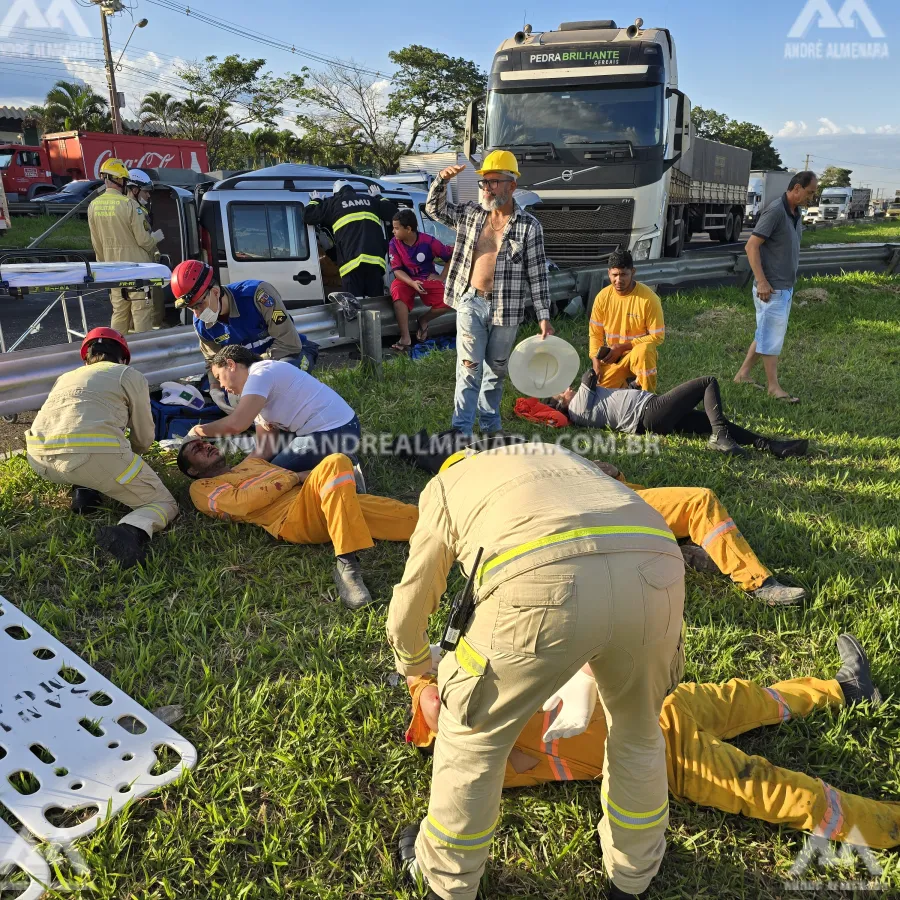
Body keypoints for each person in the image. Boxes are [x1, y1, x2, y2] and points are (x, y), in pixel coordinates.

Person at [389, 443, 685, 900]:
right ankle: (633, 879)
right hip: (657, 559)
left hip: (539, 577)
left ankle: (445, 883)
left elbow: (413, 598)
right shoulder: (556, 454)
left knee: (474, 736)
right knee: (639, 731)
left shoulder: (446, 485)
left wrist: (414, 668)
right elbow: (600, 562)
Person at [405, 634, 898, 851]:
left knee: (745, 697)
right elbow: (471, 798)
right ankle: (889, 826)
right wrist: (427, 842)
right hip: (661, 752)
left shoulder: (473, 669)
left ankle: (844, 690)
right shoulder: (478, 753)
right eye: (441, 701)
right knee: (770, 788)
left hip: (663, 701)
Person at [388, 438, 805, 606]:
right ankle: (679, 549)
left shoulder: (529, 450)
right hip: (578, 518)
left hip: (611, 497)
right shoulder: (461, 484)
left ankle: (755, 582)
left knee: (698, 501)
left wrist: (600, 467)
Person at [178, 440, 417, 609]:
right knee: (336, 461)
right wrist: (294, 477)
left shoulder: (254, 464)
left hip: (327, 503)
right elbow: (242, 503)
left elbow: (303, 476)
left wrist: (302, 478)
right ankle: (347, 563)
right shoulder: (201, 488)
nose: (207, 445)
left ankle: (452, 529)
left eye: (207, 442)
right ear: (192, 470)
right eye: (197, 449)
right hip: (293, 519)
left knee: (415, 518)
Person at [24, 327, 178, 568]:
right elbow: (144, 436)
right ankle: (129, 531)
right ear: (123, 357)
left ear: (86, 357)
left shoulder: (65, 377)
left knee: (83, 447)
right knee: (164, 504)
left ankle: (85, 493)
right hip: (93, 457)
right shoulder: (127, 374)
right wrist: (132, 458)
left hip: (39, 459)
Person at [426, 151, 554, 436]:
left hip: (506, 308)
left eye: (494, 182)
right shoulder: (471, 214)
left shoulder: (529, 227)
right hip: (471, 300)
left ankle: (490, 426)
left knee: (496, 370)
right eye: (484, 182)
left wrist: (544, 316)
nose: (487, 187)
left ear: (512, 186)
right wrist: (441, 181)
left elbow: (537, 273)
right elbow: (434, 210)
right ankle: (461, 430)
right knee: (470, 368)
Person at [186, 346, 362, 478]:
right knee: (265, 469)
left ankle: (346, 474)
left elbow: (236, 424)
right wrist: (236, 473)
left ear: (231, 365)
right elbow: (265, 448)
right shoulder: (255, 391)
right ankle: (336, 460)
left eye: (219, 378)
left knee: (271, 475)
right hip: (332, 430)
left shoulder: (259, 374)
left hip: (337, 430)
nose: (223, 387)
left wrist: (198, 430)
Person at [547, 370, 809, 458]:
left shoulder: (584, 404)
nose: (567, 389)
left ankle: (772, 445)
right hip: (650, 413)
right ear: (561, 403)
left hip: (650, 414)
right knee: (707, 382)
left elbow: (610, 401)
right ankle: (720, 438)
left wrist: (631, 388)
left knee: (712, 420)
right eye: (563, 392)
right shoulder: (577, 406)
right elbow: (590, 375)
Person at [169, 261, 318, 412]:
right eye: (191, 308)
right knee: (237, 401)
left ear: (215, 292)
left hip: (288, 356)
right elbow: (213, 361)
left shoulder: (257, 295)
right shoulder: (202, 324)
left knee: (284, 382)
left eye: (199, 305)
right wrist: (216, 391)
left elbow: (289, 343)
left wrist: (249, 371)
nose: (197, 314)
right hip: (246, 371)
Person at [734, 171, 819, 403]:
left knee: (765, 332)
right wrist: (762, 281)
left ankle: (743, 374)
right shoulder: (775, 211)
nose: (811, 198)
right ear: (797, 188)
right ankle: (774, 387)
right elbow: (751, 246)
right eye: (810, 192)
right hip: (770, 289)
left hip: (784, 286)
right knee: (771, 336)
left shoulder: (795, 212)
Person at [87, 157, 159, 334]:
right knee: (141, 311)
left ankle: (115, 349)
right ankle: (144, 352)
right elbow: (144, 240)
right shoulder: (129, 205)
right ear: (119, 179)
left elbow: (96, 243)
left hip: (113, 269)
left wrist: (104, 267)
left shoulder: (93, 205)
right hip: (138, 269)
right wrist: (155, 241)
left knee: (119, 312)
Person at [304, 180, 397, 297]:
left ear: (335, 193)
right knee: (374, 306)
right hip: (374, 263)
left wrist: (316, 201)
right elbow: (394, 213)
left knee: (353, 306)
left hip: (351, 264)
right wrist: (379, 196)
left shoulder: (333, 203)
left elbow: (309, 216)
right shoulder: (370, 200)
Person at [589, 248, 665, 391]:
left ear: (633, 272)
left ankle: (648, 400)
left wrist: (623, 347)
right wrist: (596, 362)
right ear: (609, 273)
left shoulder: (649, 299)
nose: (618, 280)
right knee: (597, 395)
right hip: (613, 359)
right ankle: (630, 386)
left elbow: (657, 337)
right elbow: (595, 334)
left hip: (637, 355)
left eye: (624, 274)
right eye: (615, 275)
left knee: (645, 351)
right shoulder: (602, 298)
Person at [388, 208, 453, 351]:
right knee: (397, 291)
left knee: (449, 299)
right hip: (406, 280)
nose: (393, 231)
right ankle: (405, 338)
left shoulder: (428, 241)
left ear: (408, 229)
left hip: (426, 279)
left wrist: (441, 277)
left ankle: (424, 320)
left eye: (396, 228)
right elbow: (397, 270)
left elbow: (451, 256)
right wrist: (411, 283)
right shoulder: (394, 243)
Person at [126, 169, 167, 329]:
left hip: (135, 263)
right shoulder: (135, 210)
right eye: (146, 192)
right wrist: (155, 239)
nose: (148, 196)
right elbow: (144, 240)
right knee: (144, 307)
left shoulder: (132, 208)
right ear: (135, 190)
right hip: (141, 265)